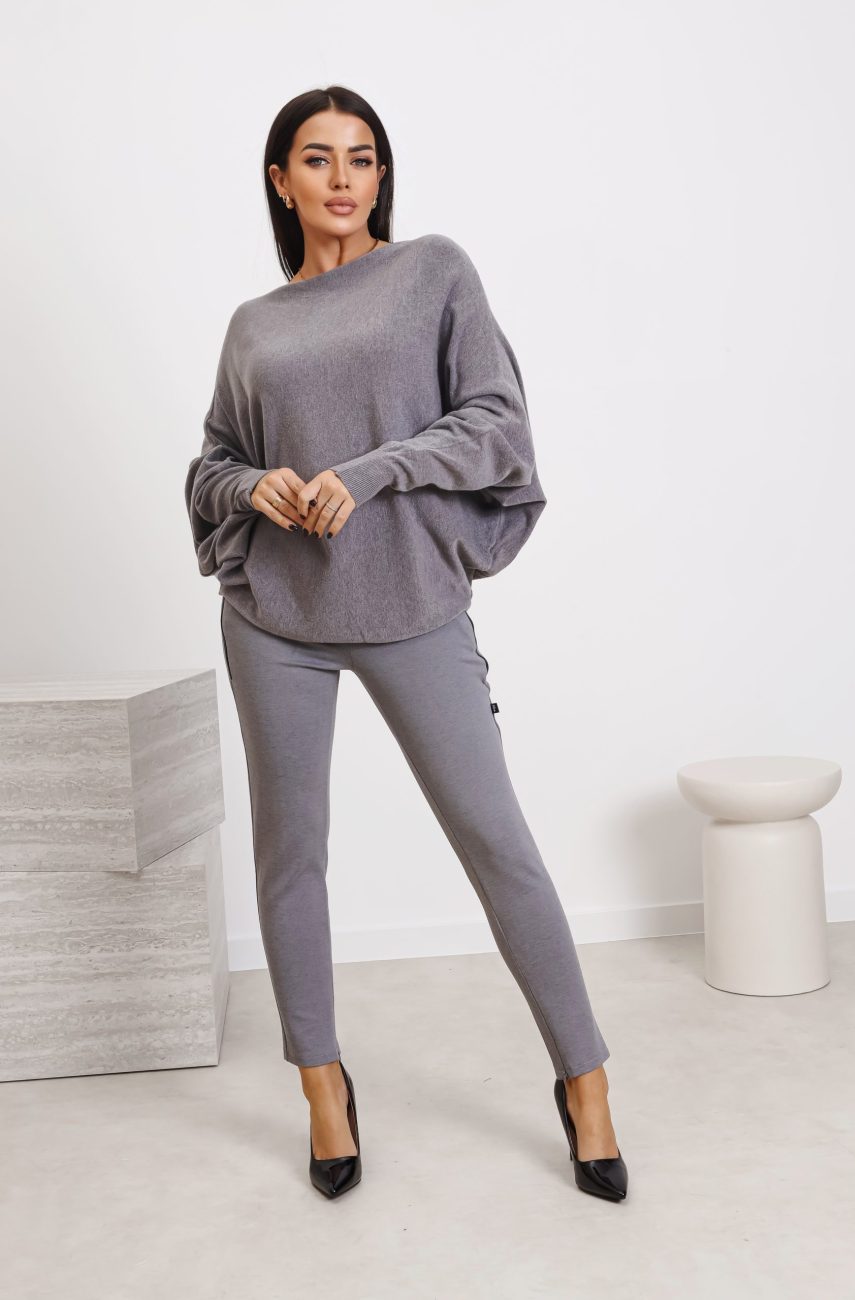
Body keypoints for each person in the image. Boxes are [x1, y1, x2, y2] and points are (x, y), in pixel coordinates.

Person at [185, 84, 627, 1203]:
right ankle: (322, 1088)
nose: (343, 178)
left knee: (496, 842)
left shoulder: (433, 272)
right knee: (291, 855)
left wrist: (374, 470)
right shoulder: (255, 325)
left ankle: (585, 1083)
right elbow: (212, 463)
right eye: (318, 158)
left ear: (382, 175)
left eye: (363, 157)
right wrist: (254, 485)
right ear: (280, 180)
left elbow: (493, 421)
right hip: (275, 617)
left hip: (412, 603)